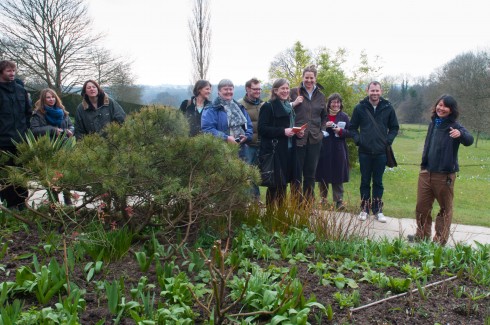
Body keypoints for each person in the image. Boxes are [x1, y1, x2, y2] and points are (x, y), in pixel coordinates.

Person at [411, 95, 473, 245]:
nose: (441, 108)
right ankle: (422, 236)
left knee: (445, 209)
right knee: (422, 207)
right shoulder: (434, 123)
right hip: (426, 173)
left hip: (444, 175)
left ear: (451, 110)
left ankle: (439, 240)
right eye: (439, 105)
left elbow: (469, 139)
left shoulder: (454, 126)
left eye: (445, 106)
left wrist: (461, 134)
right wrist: (423, 165)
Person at [349, 81, 399, 223]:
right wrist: (359, 141)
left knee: (378, 182)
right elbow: (352, 127)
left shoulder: (388, 107)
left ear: (381, 91)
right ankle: (364, 209)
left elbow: (394, 127)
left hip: (381, 152)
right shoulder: (360, 108)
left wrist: (388, 141)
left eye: (377, 91)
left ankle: (377, 210)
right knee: (365, 181)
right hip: (364, 152)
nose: (375, 93)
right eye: (372, 90)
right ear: (367, 90)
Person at [258, 78, 303, 206]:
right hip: (275, 151)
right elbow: (262, 129)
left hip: (289, 150)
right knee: (275, 185)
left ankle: (281, 215)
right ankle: (271, 216)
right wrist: (283, 131)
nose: (285, 91)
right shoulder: (268, 106)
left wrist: (297, 133)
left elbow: (290, 127)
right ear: (275, 90)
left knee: (284, 184)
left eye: (287, 88)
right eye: (282, 88)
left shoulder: (289, 106)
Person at [289, 65, 327, 202]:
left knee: (310, 174)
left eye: (312, 78)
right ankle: (295, 204)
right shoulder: (294, 92)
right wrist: (293, 103)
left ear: (315, 79)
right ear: (302, 77)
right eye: (307, 77)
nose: (309, 80)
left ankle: (307, 205)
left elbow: (324, 116)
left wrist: (322, 131)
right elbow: (284, 111)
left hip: (315, 140)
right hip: (298, 139)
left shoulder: (321, 96)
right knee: (296, 174)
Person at [31, 88, 75, 205]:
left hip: (64, 148)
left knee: (66, 176)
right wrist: (52, 130)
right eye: (48, 97)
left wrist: (70, 131)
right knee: (51, 177)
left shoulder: (62, 112)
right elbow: (34, 130)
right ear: (43, 99)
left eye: (53, 97)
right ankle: (54, 204)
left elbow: (71, 126)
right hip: (48, 149)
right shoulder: (38, 114)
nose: (51, 99)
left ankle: (68, 202)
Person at [0, 60, 31, 210]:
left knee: (22, 174)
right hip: (3, 141)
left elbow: (27, 113)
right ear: (1, 72)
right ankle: (10, 207)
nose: (12, 74)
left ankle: (23, 205)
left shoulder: (21, 90)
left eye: (13, 71)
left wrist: (26, 132)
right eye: (8, 71)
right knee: (6, 175)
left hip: (21, 140)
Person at [201, 79, 253, 159]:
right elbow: (207, 129)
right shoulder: (211, 109)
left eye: (230, 89)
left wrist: (247, 136)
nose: (228, 91)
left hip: (241, 150)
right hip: (220, 151)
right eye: (225, 89)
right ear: (219, 92)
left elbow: (249, 126)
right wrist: (226, 138)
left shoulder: (239, 107)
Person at [315, 93, 350, 210]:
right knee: (323, 174)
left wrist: (340, 131)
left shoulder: (344, 116)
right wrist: (325, 126)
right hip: (324, 149)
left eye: (338, 102)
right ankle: (323, 199)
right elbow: (316, 129)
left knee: (337, 175)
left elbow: (350, 133)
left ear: (340, 104)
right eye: (333, 102)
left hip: (338, 149)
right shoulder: (323, 115)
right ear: (329, 103)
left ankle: (339, 201)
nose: (336, 104)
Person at [238, 78, 264, 201]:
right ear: (248, 89)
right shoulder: (239, 105)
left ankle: (256, 200)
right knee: (246, 173)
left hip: (261, 144)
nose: (258, 91)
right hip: (247, 145)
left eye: (259, 89)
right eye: (255, 89)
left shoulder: (263, 104)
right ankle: (246, 201)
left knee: (257, 173)